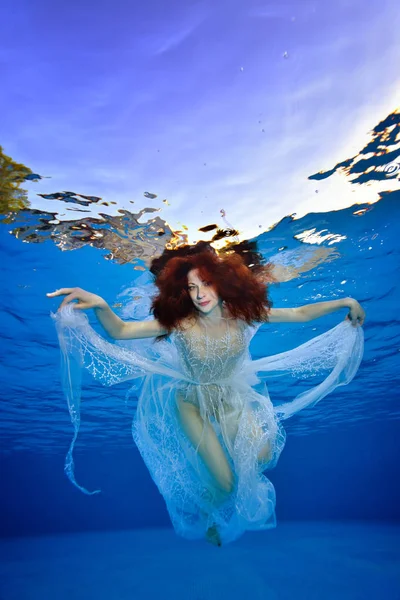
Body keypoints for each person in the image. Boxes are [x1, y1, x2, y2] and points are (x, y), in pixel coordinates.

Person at [47, 245, 365, 546]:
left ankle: (219, 494)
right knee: (225, 486)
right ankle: (209, 514)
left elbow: (299, 313)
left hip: (231, 396)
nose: (199, 295)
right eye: (191, 287)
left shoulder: (244, 314)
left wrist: (345, 302)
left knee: (262, 455)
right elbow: (121, 332)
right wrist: (101, 305)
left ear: (223, 283)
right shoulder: (181, 323)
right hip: (191, 403)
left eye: (206, 284)